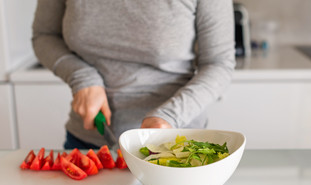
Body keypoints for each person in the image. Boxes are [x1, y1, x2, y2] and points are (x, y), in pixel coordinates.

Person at [32, 0, 235, 149]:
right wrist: (82, 78)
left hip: (177, 141)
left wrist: (169, 117)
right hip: (90, 141)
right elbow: (45, 36)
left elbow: (219, 63)